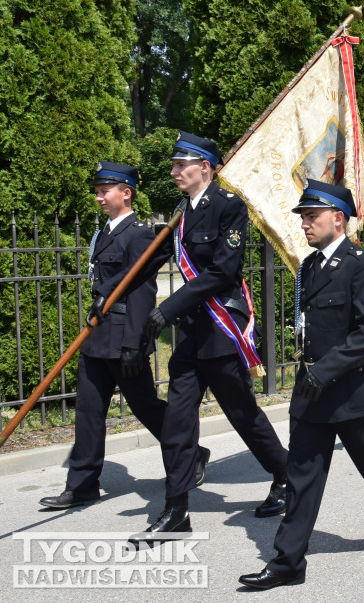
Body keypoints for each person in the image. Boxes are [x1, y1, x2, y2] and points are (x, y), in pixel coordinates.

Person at [239, 182, 364, 590]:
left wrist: (327, 369)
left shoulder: (361, 265)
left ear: (338, 218)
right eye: (302, 217)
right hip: (311, 389)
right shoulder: (311, 266)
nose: (304, 224)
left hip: (351, 391)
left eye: (311, 216)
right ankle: (287, 563)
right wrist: (310, 372)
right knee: (302, 475)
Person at [135, 132, 289, 542]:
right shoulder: (180, 212)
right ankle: (177, 508)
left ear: (204, 166)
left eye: (179, 165)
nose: (172, 172)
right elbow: (154, 260)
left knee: (243, 415)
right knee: (178, 421)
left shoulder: (229, 207)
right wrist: (111, 294)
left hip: (221, 328)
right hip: (191, 334)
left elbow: (222, 271)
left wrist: (168, 308)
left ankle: (286, 475)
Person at [40, 162, 173, 509]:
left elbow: (141, 293)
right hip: (98, 338)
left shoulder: (139, 234)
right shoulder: (104, 233)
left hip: (122, 340)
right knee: (89, 410)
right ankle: (82, 484)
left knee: (145, 406)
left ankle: (188, 449)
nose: (99, 197)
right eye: (97, 191)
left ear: (126, 193)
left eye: (105, 191)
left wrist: (134, 344)